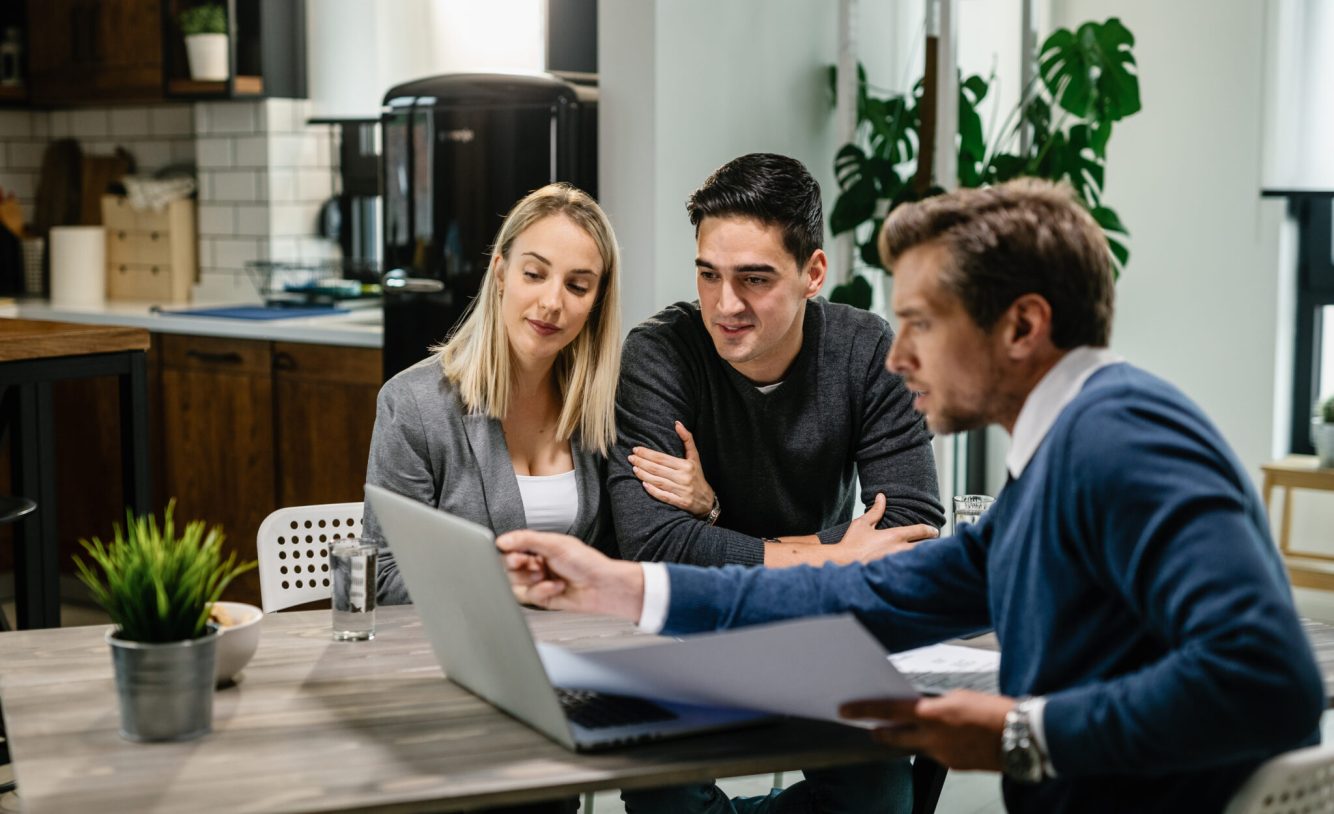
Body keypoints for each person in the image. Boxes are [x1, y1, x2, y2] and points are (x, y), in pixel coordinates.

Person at [498, 179, 1326, 814]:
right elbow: (871, 588)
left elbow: (1267, 677)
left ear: (1022, 327)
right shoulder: (1063, 451)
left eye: (923, 322)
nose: (897, 358)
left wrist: (1015, 734)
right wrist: (616, 584)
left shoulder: (1125, 439)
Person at [608, 153, 945, 812]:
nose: (725, 304)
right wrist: (831, 554)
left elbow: (909, 536)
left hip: (814, 628)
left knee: (881, 791)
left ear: (813, 273)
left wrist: (713, 521)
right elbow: (651, 548)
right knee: (666, 794)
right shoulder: (661, 352)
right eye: (709, 275)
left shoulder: (866, 352)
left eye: (754, 279)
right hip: (687, 632)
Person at [361, 182, 624, 608]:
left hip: (582, 651)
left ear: (596, 301)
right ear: (501, 274)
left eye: (577, 286)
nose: (552, 302)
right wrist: (499, 584)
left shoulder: (606, 406)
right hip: (463, 659)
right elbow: (382, 576)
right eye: (534, 274)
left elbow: (626, 553)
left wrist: (706, 502)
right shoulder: (414, 404)